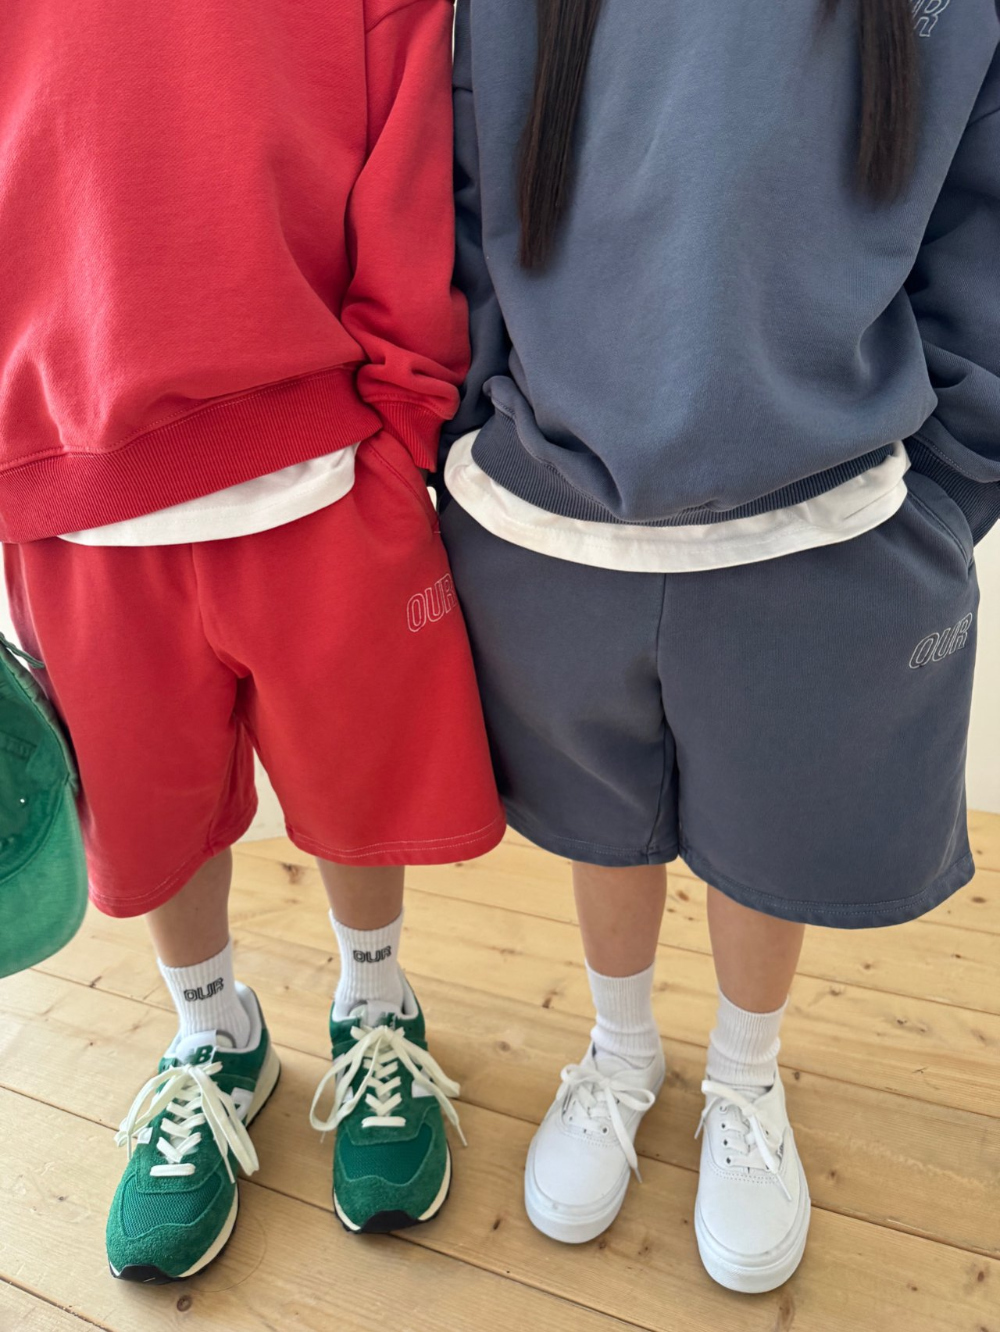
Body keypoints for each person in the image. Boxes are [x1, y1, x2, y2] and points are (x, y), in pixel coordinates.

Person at [441, 0, 999, 1293]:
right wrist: (469, 434)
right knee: (602, 812)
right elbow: (469, 181)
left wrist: (950, 479)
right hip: (557, 495)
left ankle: (747, 1075)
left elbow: (981, 211)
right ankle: (619, 1048)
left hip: (821, 502)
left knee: (771, 824)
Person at [0, 0, 505, 1282]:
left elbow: (407, 149)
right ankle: (212, 1034)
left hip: (322, 452)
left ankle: (376, 1010)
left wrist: (404, 417)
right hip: (63, 473)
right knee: (144, 812)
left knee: (360, 787)